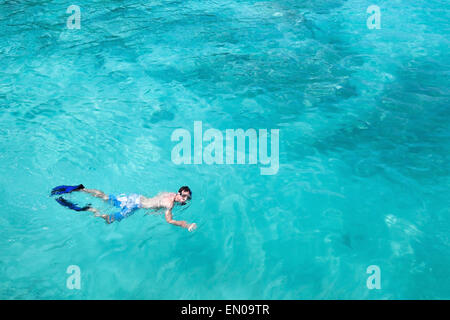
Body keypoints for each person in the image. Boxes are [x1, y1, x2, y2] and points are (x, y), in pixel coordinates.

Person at [52, 184, 196, 231]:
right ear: (179, 193)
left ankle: (81, 189)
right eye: (184, 196)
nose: (185, 199)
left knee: (106, 197)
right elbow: (169, 220)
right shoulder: (170, 204)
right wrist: (184, 224)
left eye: (187, 198)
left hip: (135, 197)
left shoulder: (169, 194)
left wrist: (154, 209)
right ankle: (89, 209)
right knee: (109, 219)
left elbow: (156, 200)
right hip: (135, 204)